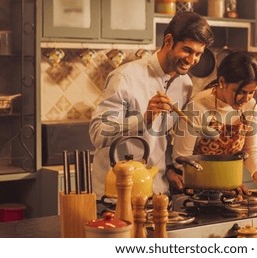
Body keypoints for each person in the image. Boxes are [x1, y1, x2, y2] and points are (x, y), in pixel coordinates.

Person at [89, 11, 214, 199]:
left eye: (198, 54)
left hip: (157, 191)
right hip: (117, 194)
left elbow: (163, 137)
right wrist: (143, 119)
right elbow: (98, 134)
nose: (191, 60)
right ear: (169, 41)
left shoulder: (185, 84)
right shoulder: (125, 77)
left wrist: (170, 168)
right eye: (187, 50)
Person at [171, 51, 257, 192]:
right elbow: (181, 159)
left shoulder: (250, 105)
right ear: (221, 82)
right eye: (240, 91)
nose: (246, 99)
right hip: (197, 190)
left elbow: (250, 149)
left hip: (229, 187)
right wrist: (221, 181)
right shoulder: (197, 107)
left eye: (251, 92)